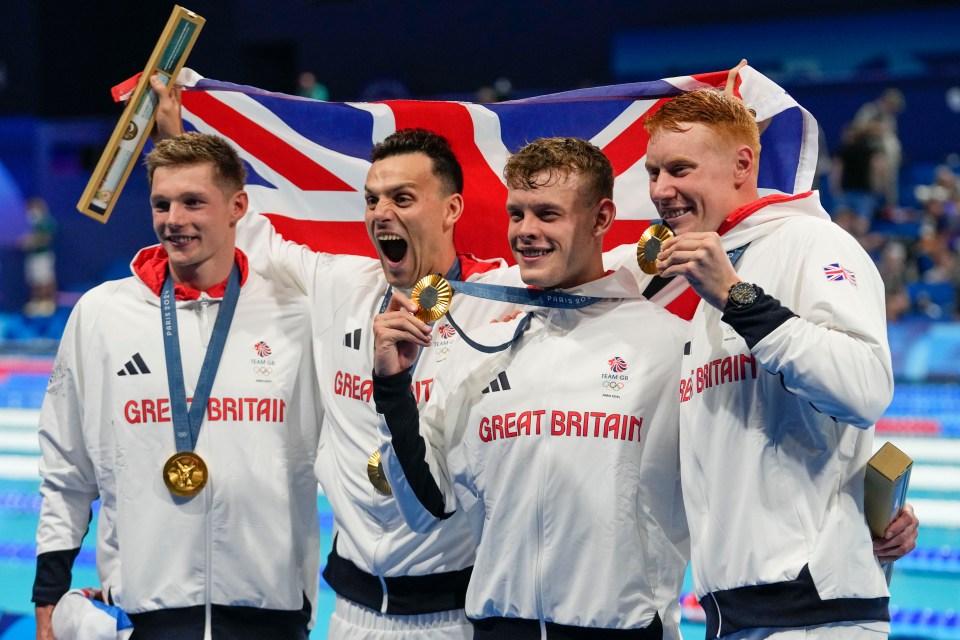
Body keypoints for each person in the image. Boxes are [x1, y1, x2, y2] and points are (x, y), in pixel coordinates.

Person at [371, 137, 690, 638]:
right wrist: (392, 388)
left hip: (621, 628)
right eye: (516, 214)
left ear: (601, 218)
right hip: (498, 626)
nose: (526, 232)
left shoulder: (669, 345)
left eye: (547, 213)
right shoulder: (478, 344)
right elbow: (427, 505)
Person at [646, 88, 916, 638]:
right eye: (652, 173)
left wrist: (740, 300)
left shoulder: (812, 243)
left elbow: (864, 388)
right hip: (736, 614)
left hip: (814, 612)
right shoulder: (703, 278)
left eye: (679, 169)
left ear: (743, 163)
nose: (660, 190)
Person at [33, 132, 322, 640]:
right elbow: (66, 467)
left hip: (269, 613)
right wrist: (47, 595)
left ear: (238, 207)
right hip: (147, 615)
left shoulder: (294, 314)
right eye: (161, 204)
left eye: (193, 202)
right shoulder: (101, 314)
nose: (174, 219)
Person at [21, 196, 58, 317]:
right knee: (34, 280)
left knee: (45, 279)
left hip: (43, 256)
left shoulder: (46, 222)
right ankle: (36, 301)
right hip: (32, 257)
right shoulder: (27, 223)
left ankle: (48, 302)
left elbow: (46, 239)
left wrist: (33, 242)